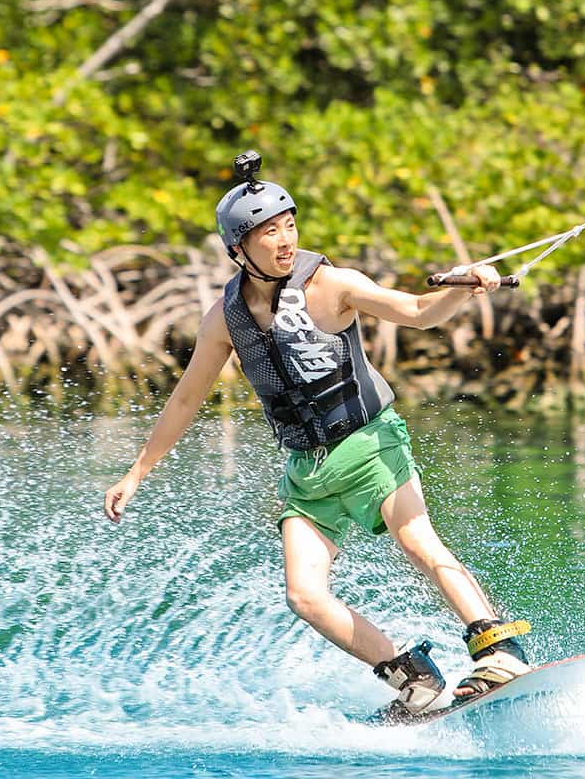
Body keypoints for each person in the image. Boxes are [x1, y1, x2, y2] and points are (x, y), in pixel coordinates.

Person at [103, 153, 532, 717]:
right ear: (238, 249)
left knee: (416, 541)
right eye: (267, 233)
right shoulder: (224, 318)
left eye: (289, 225)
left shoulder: (332, 285)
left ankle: (500, 649)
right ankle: (412, 676)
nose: (284, 241)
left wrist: (462, 286)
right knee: (304, 596)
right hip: (306, 469)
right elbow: (186, 398)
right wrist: (138, 472)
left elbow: (418, 310)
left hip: (370, 444)